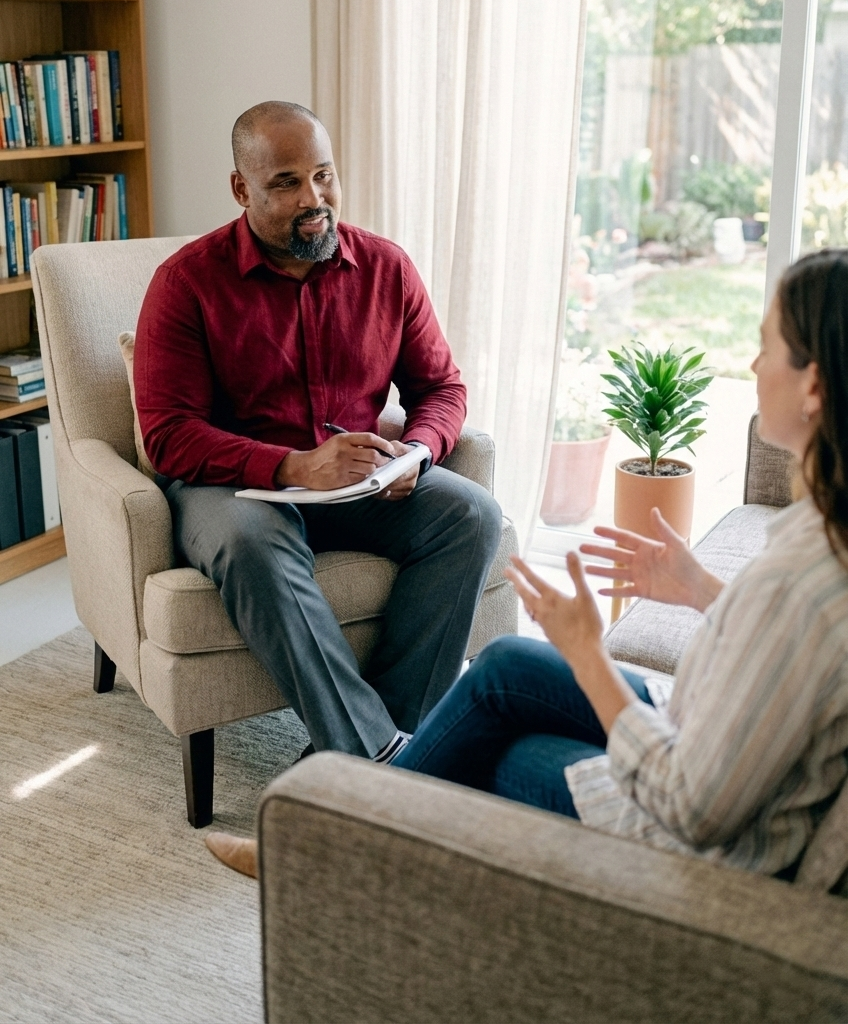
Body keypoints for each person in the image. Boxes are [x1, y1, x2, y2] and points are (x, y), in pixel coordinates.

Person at [391, 248, 848, 878]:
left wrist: (588, 654)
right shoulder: (825, 535)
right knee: (503, 666)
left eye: (766, 347)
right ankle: (344, 820)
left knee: (496, 755)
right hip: (706, 739)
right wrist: (703, 589)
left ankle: (331, 845)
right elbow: (793, 649)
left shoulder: (800, 578)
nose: (752, 364)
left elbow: (693, 808)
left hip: (704, 848)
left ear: (816, 387)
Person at [134, 102, 502, 854]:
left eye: (324, 176)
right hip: (233, 488)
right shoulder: (185, 285)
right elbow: (168, 434)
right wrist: (291, 465)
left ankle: (371, 759)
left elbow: (443, 389)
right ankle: (381, 760)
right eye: (287, 182)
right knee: (252, 537)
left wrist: (419, 454)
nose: (314, 199)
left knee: (473, 516)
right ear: (241, 190)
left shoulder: (386, 267)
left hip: (359, 483)